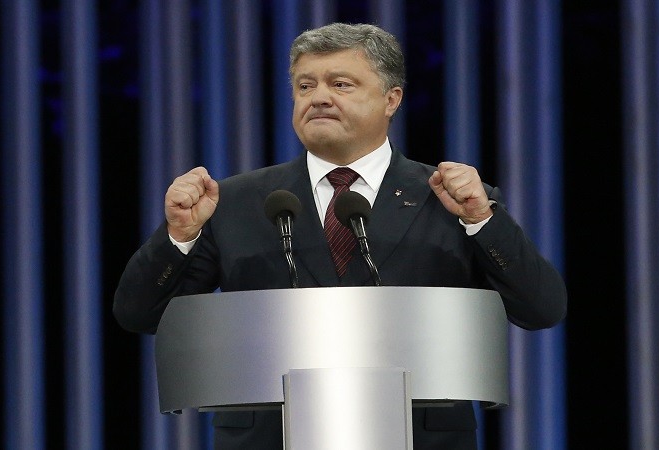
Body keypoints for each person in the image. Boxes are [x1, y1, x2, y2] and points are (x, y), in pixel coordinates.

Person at [114, 22, 567, 450]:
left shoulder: (450, 198)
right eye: (305, 86)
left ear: (391, 99)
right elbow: (140, 313)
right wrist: (180, 236)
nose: (319, 98)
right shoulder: (234, 201)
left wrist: (482, 220)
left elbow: (541, 308)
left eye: (341, 84)